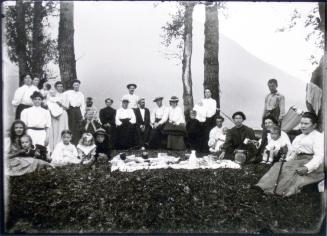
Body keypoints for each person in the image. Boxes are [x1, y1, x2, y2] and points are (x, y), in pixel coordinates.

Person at [256, 112, 324, 197]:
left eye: (306, 124)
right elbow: (293, 152)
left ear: (314, 125)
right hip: (298, 159)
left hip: (311, 161)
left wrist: (307, 167)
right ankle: (262, 186)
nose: (302, 126)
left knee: (291, 170)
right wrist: (286, 160)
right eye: (301, 123)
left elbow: (319, 156)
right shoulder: (299, 137)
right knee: (278, 165)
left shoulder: (318, 137)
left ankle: (279, 191)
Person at [46, 87, 69, 152]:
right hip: (52, 117)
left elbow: (64, 107)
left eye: (54, 91)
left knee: (61, 130)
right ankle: (53, 149)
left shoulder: (59, 99)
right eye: (51, 92)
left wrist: (59, 106)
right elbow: (49, 108)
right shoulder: (48, 100)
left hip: (61, 116)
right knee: (54, 132)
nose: (52, 93)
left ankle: (61, 148)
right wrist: (53, 114)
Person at [64, 80, 85, 145]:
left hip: (78, 110)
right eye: (75, 85)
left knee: (78, 126)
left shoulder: (81, 94)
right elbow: (61, 96)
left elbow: (83, 105)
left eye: (77, 85)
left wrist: (82, 115)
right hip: (71, 110)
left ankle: (77, 142)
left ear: (79, 86)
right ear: (73, 86)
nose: (76, 86)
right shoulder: (68, 93)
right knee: (71, 126)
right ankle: (71, 142)